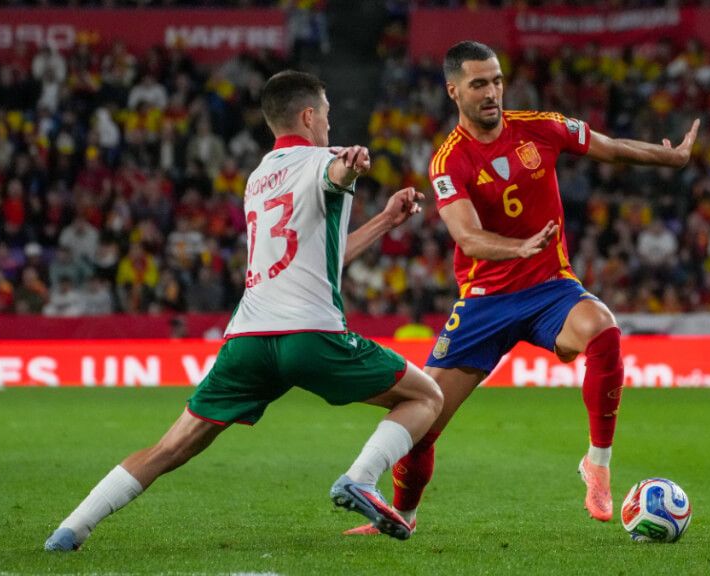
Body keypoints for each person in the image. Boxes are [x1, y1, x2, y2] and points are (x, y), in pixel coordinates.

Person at [44, 71, 443, 551]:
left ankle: (71, 529)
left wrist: (383, 221)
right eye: (327, 115)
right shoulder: (325, 160)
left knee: (170, 447)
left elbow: (321, 257)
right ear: (309, 116)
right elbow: (337, 173)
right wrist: (351, 166)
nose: (330, 125)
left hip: (247, 340)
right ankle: (360, 477)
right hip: (311, 335)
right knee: (427, 397)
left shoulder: (257, 178)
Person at [346, 41, 698, 534]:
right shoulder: (449, 160)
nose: (492, 92)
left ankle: (597, 464)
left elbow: (612, 147)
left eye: (496, 81)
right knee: (423, 421)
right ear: (453, 91)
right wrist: (520, 247)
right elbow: (467, 236)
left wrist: (671, 159)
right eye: (478, 84)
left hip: (550, 289)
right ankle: (402, 516)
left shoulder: (539, 127)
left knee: (604, 329)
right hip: (484, 303)